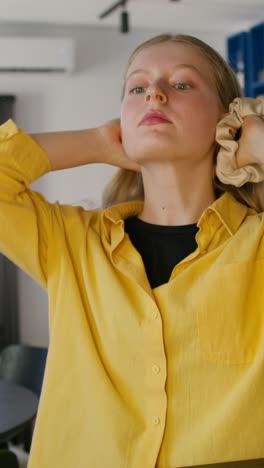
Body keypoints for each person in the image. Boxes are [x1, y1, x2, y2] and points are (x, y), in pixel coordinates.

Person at [0, 33, 264, 468]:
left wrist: (254, 144)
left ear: (226, 119)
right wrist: (96, 143)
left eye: (182, 85)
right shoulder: (70, 244)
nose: (154, 94)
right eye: (137, 88)